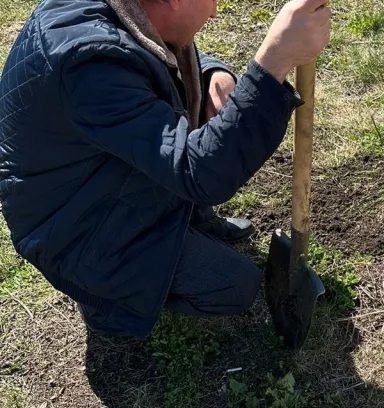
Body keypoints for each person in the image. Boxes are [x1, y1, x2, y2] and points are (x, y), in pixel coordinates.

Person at [0, 0, 330, 337]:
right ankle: (104, 302)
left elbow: (153, 54)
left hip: (92, 180)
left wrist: (210, 73)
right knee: (234, 285)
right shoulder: (88, 62)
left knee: (191, 137)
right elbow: (203, 172)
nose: (215, 12)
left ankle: (190, 221)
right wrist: (273, 63)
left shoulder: (122, 16)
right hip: (72, 230)